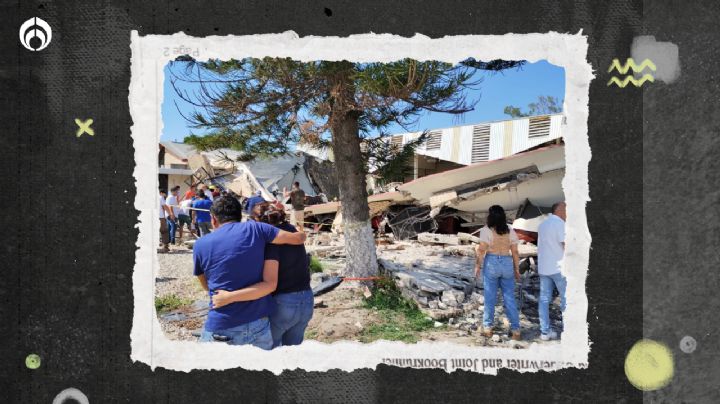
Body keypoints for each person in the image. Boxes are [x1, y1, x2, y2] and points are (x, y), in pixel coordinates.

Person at [193, 196, 307, 349]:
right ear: (240, 215)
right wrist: (300, 230)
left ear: (213, 219)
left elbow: (206, 286)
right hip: (258, 325)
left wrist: (229, 296)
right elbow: (297, 239)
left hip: (223, 324)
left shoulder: (200, 245)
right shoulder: (257, 229)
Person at [474, 205, 522, 341]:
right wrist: (517, 269)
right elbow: (515, 252)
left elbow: (481, 250)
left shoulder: (486, 230)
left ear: (491, 216)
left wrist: (477, 266)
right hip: (507, 263)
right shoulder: (510, 230)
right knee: (509, 298)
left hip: (492, 263)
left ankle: (488, 328)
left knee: (490, 297)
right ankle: (516, 330)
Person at [537, 201, 567, 341]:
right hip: (558, 267)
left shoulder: (542, 225)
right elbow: (566, 246)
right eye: (566, 209)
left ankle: (545, 332)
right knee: (566, 300)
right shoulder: (560, 224)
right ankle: (569, 331)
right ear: (559, 210)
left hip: (544, 267)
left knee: (544, 300)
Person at [158, 189, 174, 253]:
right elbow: (165, 206)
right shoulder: (160, 197)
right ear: (161, 193)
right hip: (160, 217)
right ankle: (165, 247)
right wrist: (171, 214)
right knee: (164, 231)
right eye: (164, 193)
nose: (165, 195)